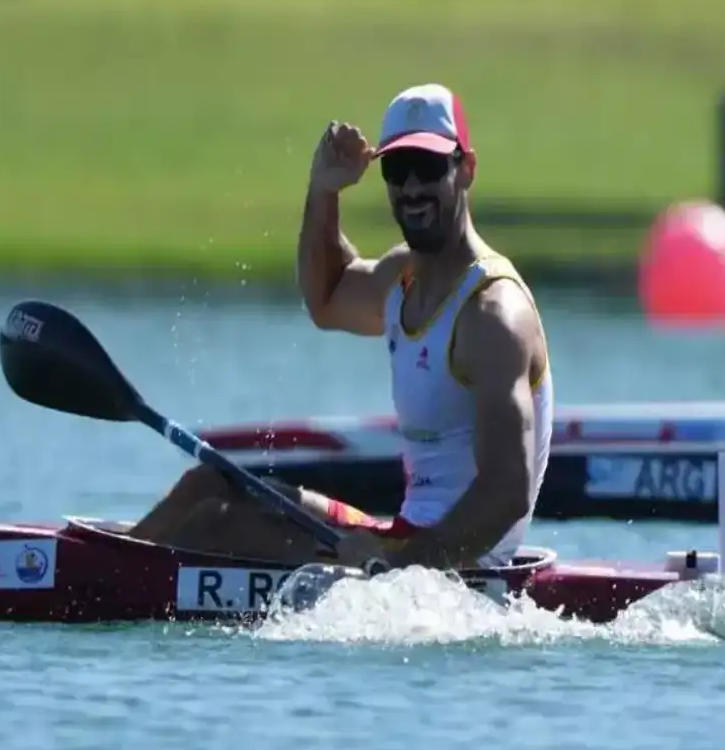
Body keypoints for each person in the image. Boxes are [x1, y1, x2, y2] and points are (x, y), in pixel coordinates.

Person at [128, 83, 554, 568]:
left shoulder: (492, 314)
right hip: (399, 539)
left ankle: (95, 585)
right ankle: (104, 569)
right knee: (207, 485)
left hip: (460, 564)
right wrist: (324, 190)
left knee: (213, 527)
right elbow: (326, 298)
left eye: (430, 168)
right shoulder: (403, 278)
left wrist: (398, 569)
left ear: (466, 169)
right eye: (398, 169)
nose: (412, 187)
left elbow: (506, 494)